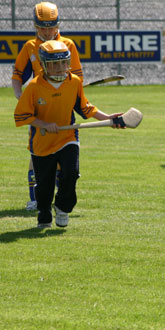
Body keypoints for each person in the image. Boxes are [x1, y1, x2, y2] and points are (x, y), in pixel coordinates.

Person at [14, 40, 124, 229]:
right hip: (42, 143)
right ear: (44, 65)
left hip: (68, 138)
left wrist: (108, 118)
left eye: (64, 63)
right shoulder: (34, 87)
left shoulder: (74, 82)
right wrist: (44, 124)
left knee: (71, 173)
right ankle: (44, 213)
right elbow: (22, 115)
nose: (60, 68)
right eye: (55, 64)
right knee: (45, 185)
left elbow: (85, 108)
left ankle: (63, 207)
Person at [12, 1, 84, 211]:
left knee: (65, 156)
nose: (46, 31)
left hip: (63, 109)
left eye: (50, 26)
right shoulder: (30, 47)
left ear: (58, 24)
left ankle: (61, 201)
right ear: (35, 26)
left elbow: (77, 76)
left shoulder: (69, 45)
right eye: (42, 27)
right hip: (40, 110)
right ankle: (36, 199)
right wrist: (20, 97)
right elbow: (17, 76)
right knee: (37, 154)